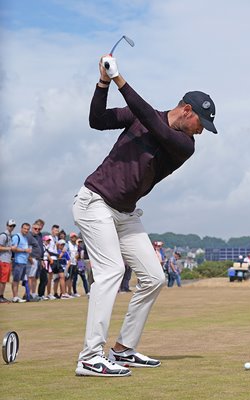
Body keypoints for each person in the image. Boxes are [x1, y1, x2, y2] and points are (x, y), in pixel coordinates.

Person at [72, 53, 217, 377]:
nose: (201, 132)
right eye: (200, 124)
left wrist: (120, 78)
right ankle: (90, 357)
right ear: (187, 110)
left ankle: (123, 349)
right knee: (111, 271)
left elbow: (154, 124)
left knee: (154, 278)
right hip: (95, 202)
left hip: (125, 214)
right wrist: (104, 82)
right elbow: (97, 120)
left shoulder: (184, 144)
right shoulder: (144, 115)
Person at [11, 222, 32, 302]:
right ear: (21, 228)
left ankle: (16, 296)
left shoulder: (25, 238)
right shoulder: (17, 236)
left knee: (19, 280)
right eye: (25, 229)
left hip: (24, 262)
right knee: (16, 280)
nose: (26, 230)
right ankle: (15, 297)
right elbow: (13, 248)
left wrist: (27, 253)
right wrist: (24, 250)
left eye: (27, 229)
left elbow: (26, 250)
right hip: (17, 261)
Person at [0, 219, 17, 303]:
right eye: (11, 226)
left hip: (7, 260)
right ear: (7, 226)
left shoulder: (10, 235)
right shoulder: (4, 235)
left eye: (14, 226)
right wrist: (10, 248)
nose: (12, 227)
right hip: (3, 260)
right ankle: (0, 296)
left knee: (4, 280)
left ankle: (1, 296)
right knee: (2, 280)